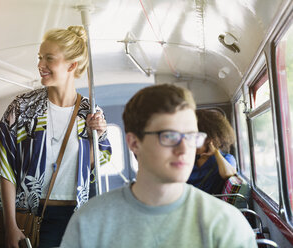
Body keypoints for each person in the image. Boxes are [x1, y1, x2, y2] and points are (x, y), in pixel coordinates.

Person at [60, 84, 257, 248]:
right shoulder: (90, 223)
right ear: (134, 143)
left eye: (190, 136)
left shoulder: (226, 225)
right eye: (169, 136)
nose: (183, 149)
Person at [0, 26, 112, 248]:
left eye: (48, 59)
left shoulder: (89, 112)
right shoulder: (23, 107)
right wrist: (11, 225)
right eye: (39, 58)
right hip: (29, 216)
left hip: (76, 217)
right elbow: (6, 169)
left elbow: (89, 168)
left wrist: (99, 136)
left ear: (71, 65)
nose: (40, 65)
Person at [187, 109, 237, 194]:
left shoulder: (226, 158)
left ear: (210, 140)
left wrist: (216, 152)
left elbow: (228, 174)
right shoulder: (190, 158)